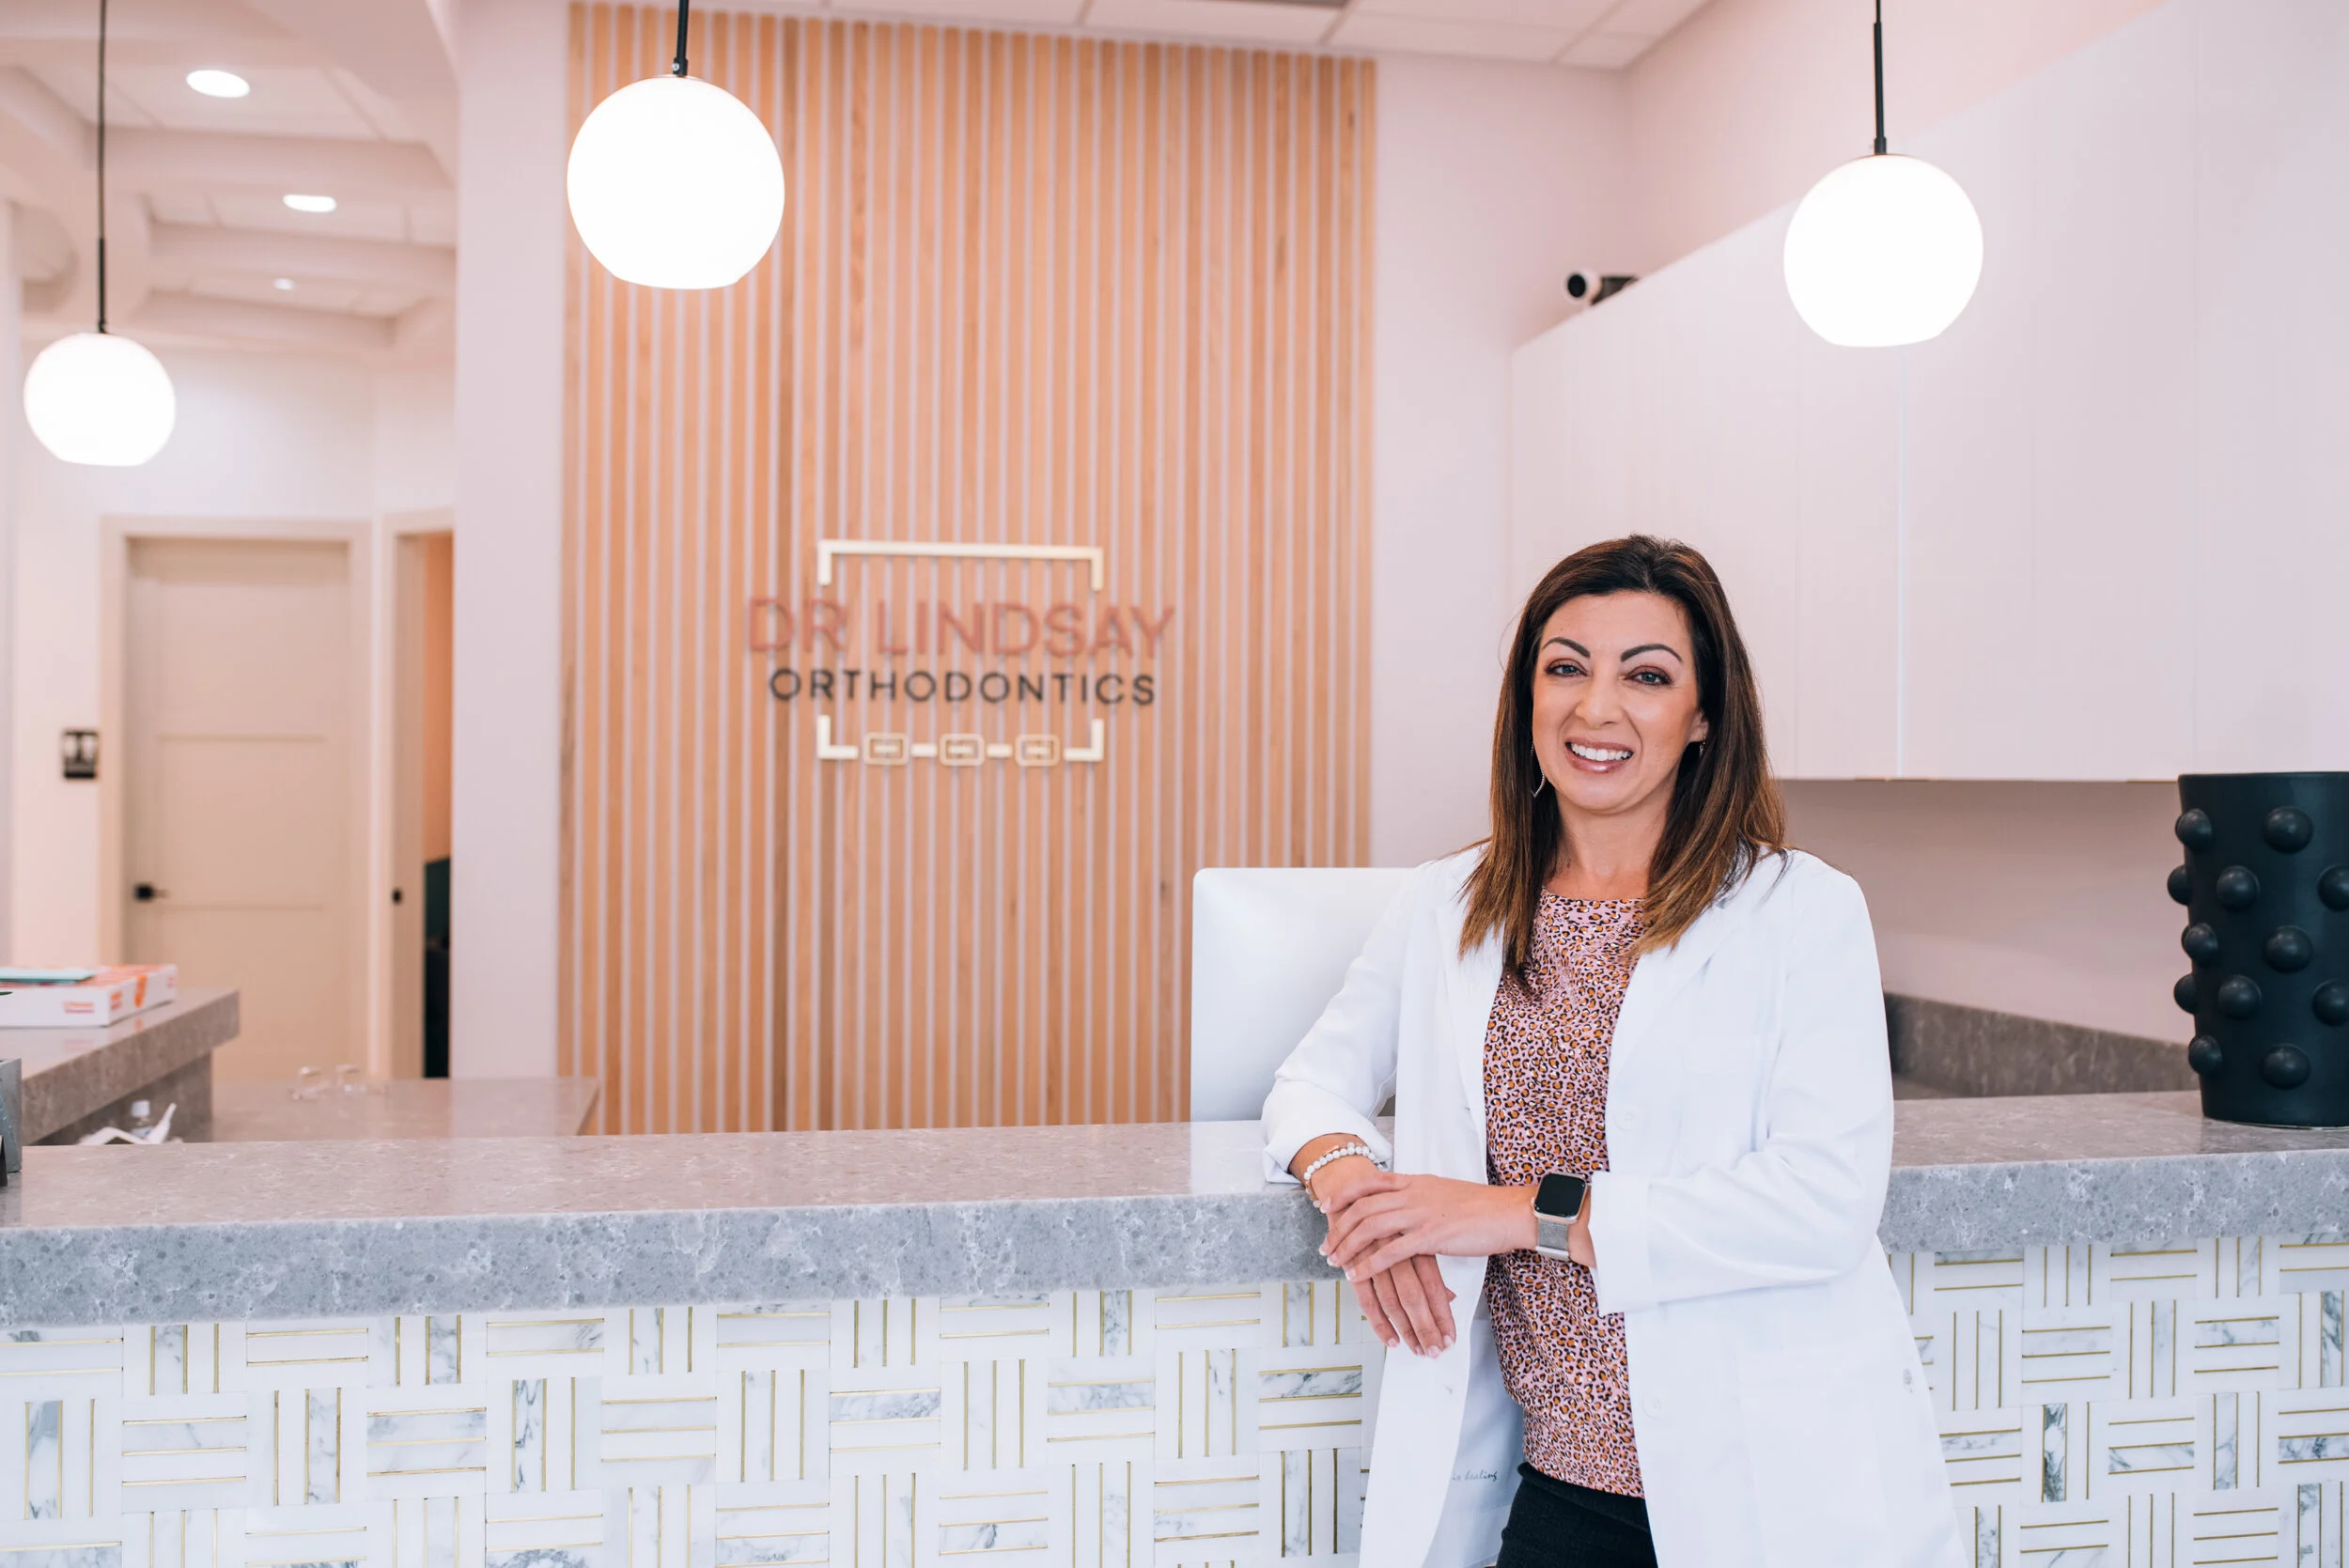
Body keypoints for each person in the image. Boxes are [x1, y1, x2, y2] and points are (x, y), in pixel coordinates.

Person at [1261, 536, 1960, 1568]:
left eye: (1646, 675)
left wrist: (1512, 1209)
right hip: (1553, 1490)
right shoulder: (1448, 903)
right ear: (1527, 698)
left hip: (1761, 1487)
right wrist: (1360, 1190)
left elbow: (1823, 1201)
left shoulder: (1799, 911)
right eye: (1564, 666)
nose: (1596, 708)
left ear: (1703, 716)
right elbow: (1309, 1082)